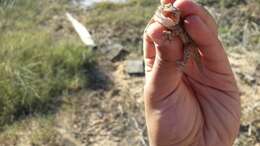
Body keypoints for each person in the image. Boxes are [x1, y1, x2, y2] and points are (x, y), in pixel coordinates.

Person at [143, 0, 241, 146]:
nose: (171, 14)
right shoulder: (165, 19)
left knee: (188, 47)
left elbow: (176, 28)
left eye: (174, 14)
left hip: (188, 42)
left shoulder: (175, 24)